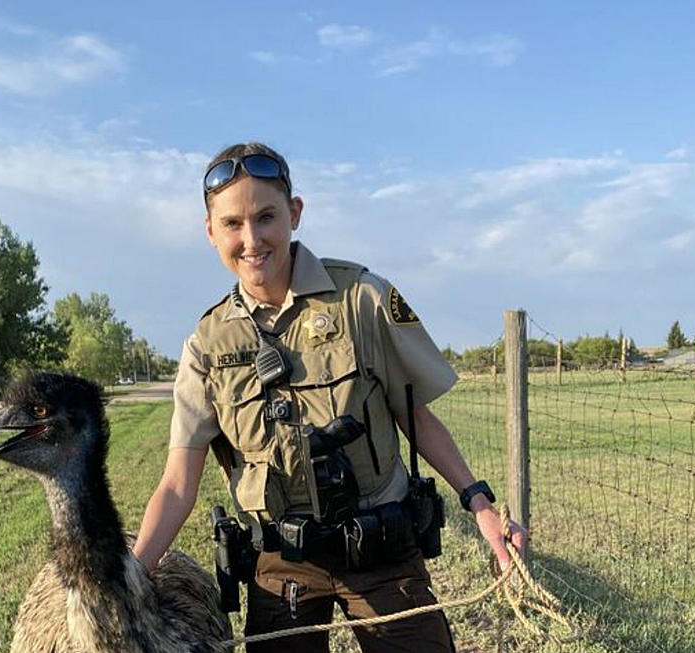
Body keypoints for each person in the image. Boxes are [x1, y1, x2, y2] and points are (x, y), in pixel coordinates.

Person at [133, 142, 526, 653]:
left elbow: (416, 417)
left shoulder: (362, 300)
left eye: (266, 216)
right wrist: (131, 578)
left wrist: (480, 503)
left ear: (294, 214)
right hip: (282, 563)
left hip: (381, 548)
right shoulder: (207, 345)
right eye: (232, 224)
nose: (251, 239)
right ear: (211, 232)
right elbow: (177, 486)